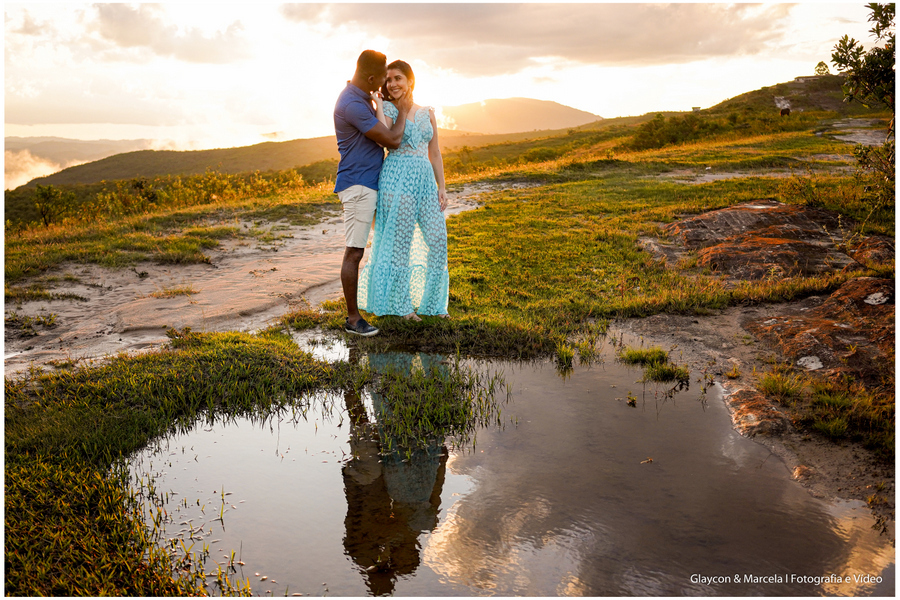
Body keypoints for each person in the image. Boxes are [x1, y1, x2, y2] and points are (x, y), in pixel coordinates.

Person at [357, 60, 450, 320]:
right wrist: (384, 105)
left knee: (438, 239)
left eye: (398, 78)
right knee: (400, 244)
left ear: (410, 81)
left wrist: (441, 186)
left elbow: (435, 152)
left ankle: (433, 305)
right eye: (388, 80)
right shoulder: (385, 107)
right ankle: (401, 306)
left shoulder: (428, 112)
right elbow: (388, 137)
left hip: (424, 182)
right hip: (397, 178)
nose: (393, 84)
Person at [333, 50, 412, 336]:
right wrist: (403, 111)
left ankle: (389, 302)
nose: (383, 84)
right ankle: (353, 320)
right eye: (381, 78)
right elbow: (392, 138)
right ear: (369, 78)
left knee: (378, 246)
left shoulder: (361, 96)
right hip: (358, 186)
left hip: (370, 183)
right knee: (354, 251)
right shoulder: (352, 104)